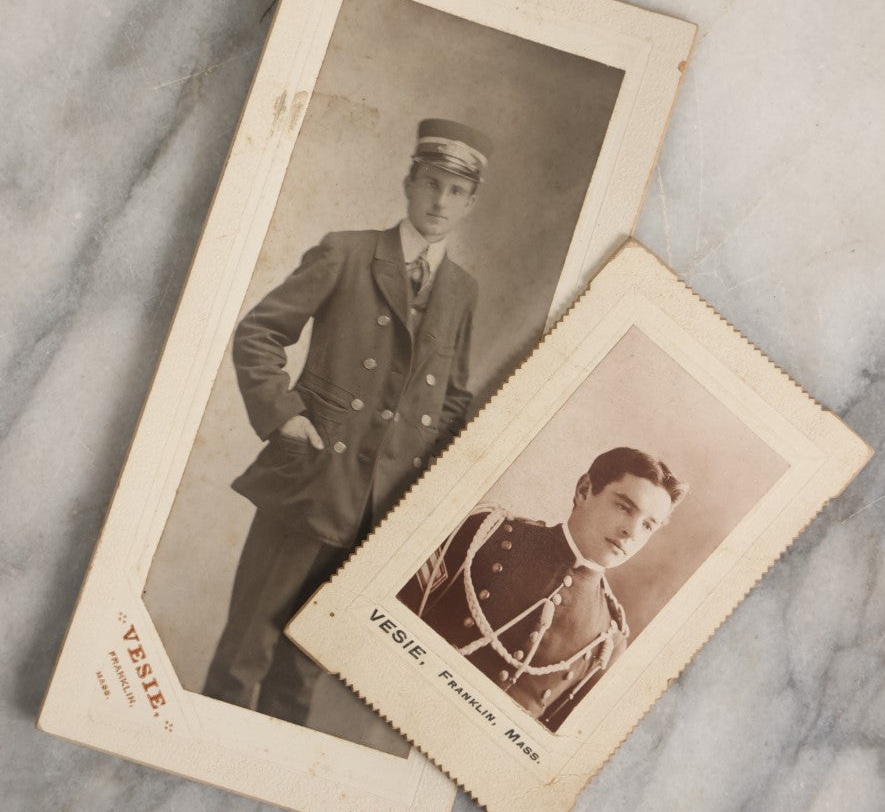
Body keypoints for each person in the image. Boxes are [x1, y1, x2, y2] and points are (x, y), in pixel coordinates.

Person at [204, 118, 492, 729]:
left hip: (379, 507)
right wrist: (284, 417)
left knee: (303, 673)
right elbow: (259, 334)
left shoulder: (462, 291)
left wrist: (419, 488)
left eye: (455, 192)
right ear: (409, 183)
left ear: (470, 204)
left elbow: (454, 398)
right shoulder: (348, 250)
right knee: (244, 656)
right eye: (431, 184)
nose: (439, 202)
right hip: (312, 483)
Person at [398, 447, 687, 730]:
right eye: (624, 507)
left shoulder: (609, 642)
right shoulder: (485, 534)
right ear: (584, 490)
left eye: (648, 525)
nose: (632, 532)